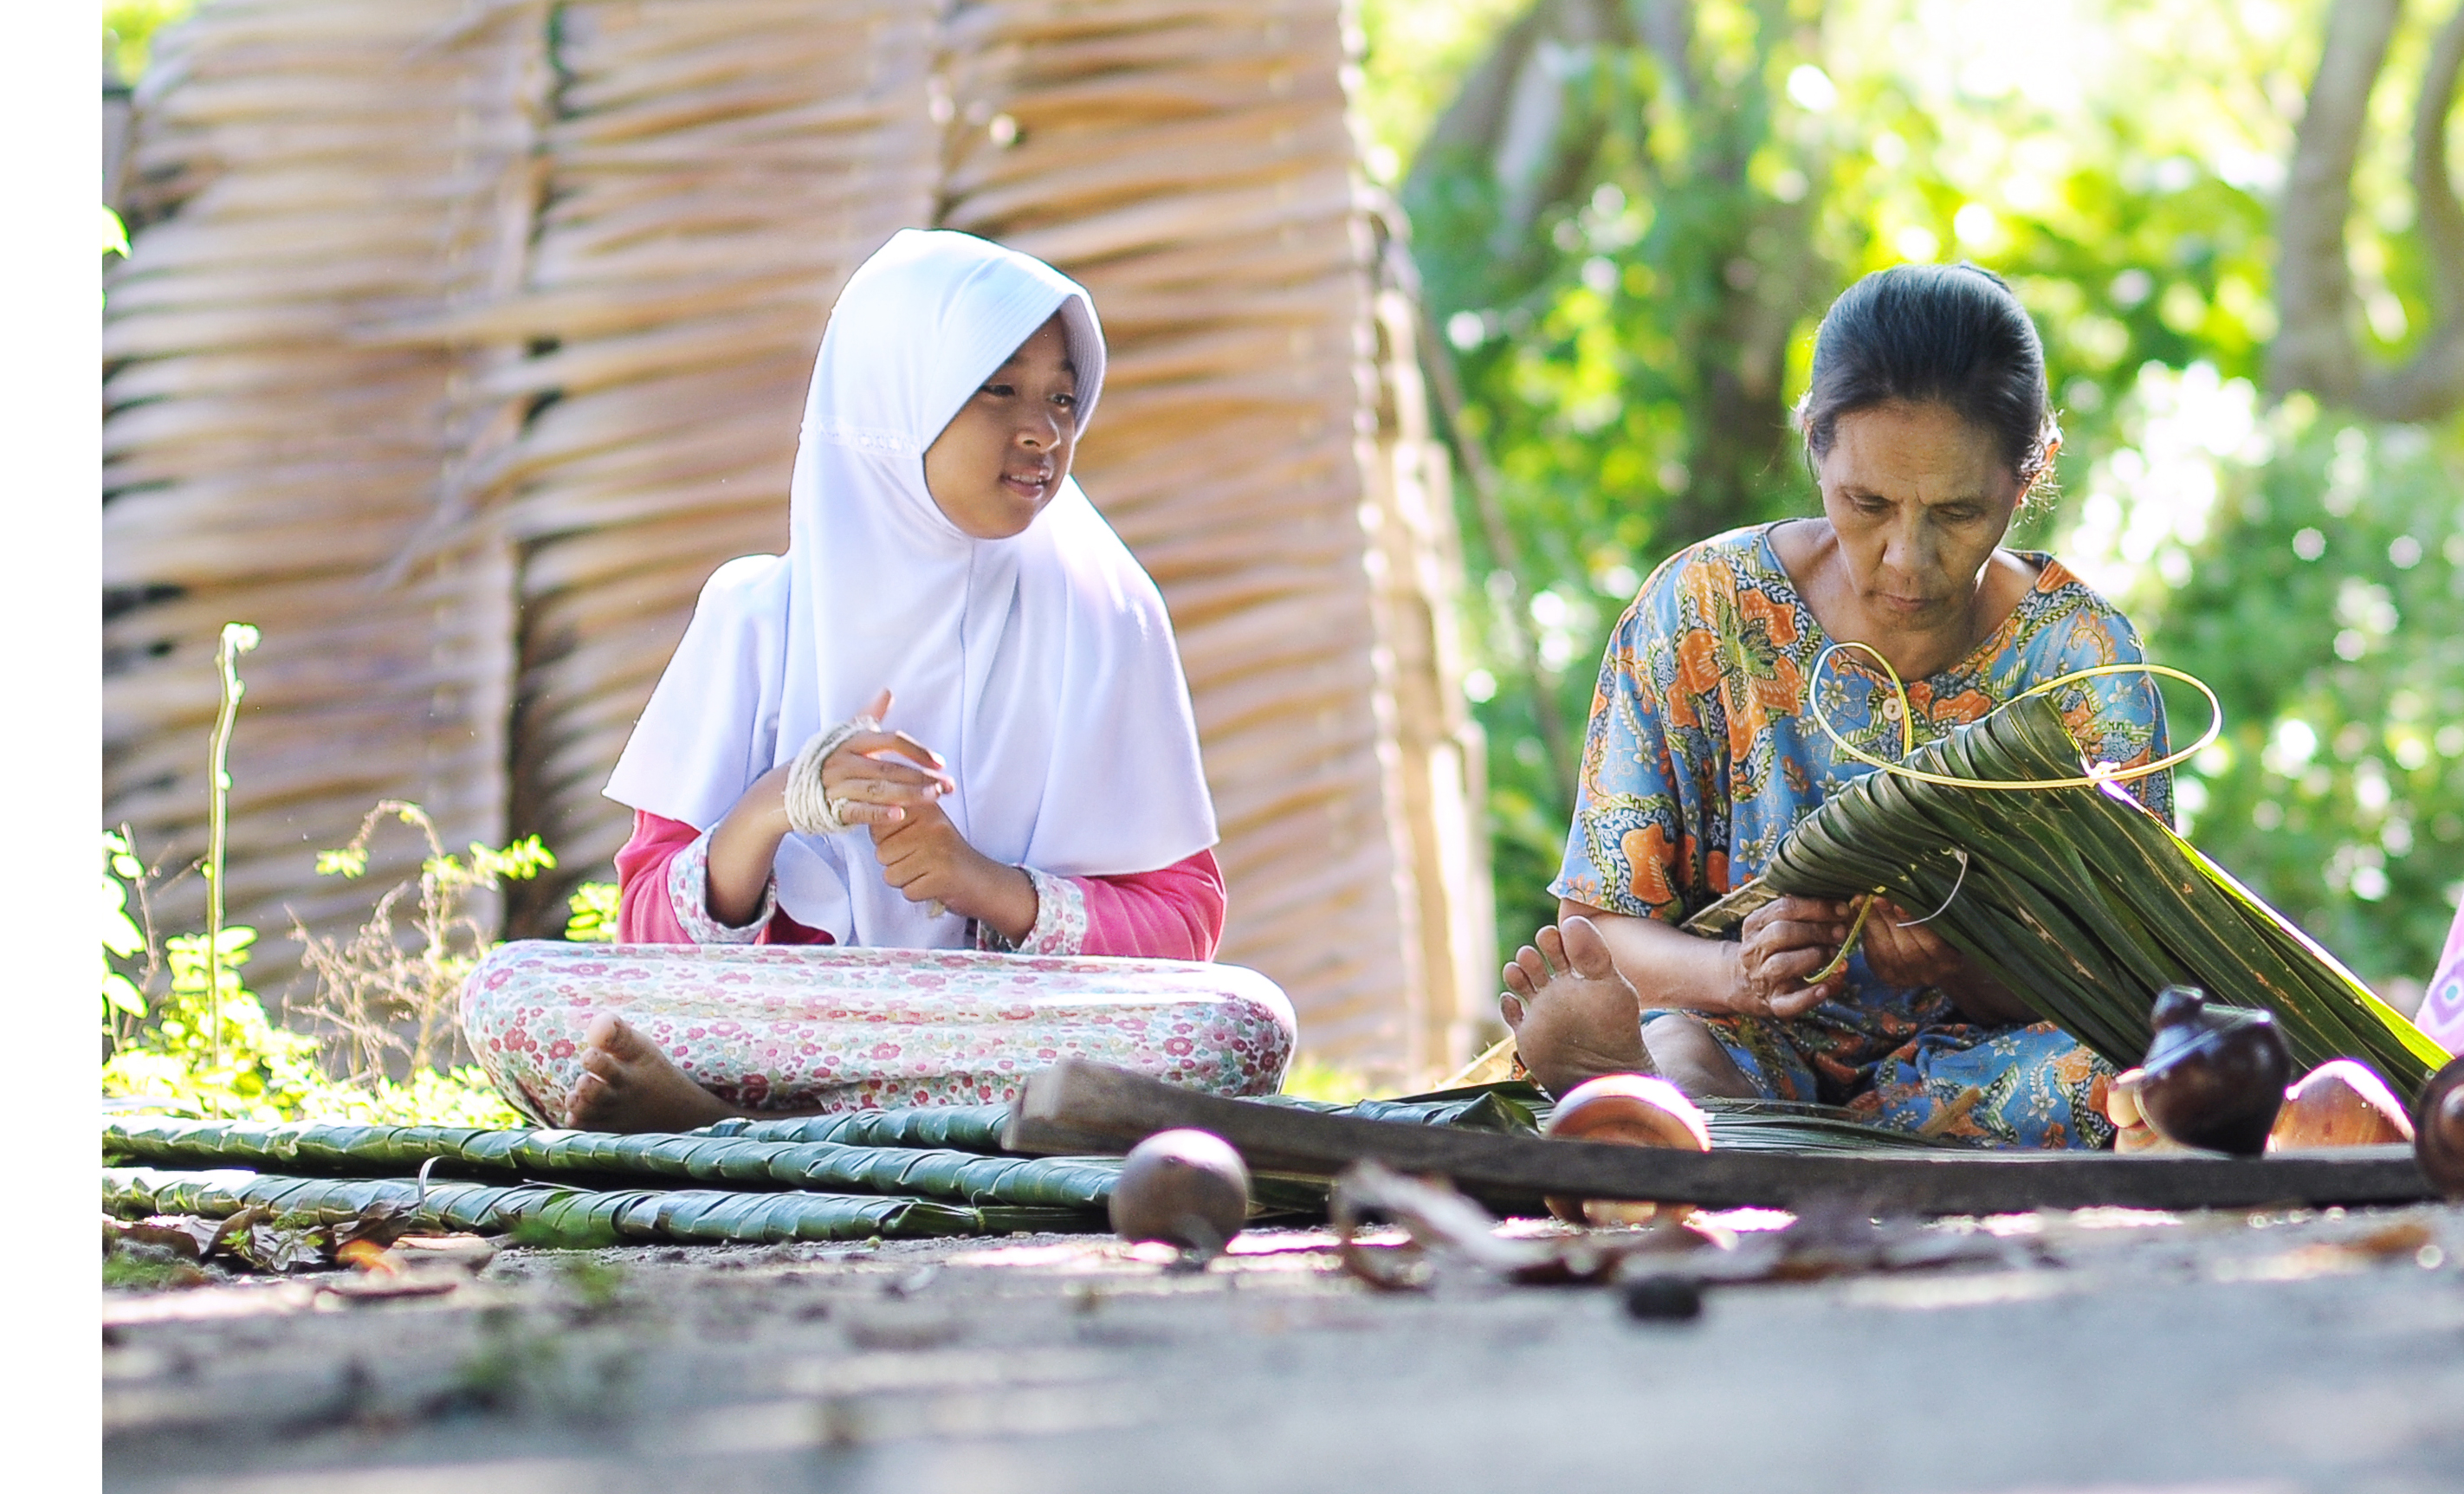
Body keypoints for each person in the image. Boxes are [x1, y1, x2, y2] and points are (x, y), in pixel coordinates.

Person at [457, 229, 1293, 1127]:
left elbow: (1183, 926)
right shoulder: (754, 614)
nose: (1042, 430)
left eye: (1062, 397)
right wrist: (779, 803)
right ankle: (921, 1129)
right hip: (792, 1021)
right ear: (894, 401)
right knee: (515, 994)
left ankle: (746, 1130)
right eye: (998, 389)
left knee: (1236, 1030)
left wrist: (978, 881)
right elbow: (647, 930)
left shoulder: (1105, 615)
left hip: (1002, 1026)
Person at [1496, 263, 2169, 1147]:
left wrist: (1975, 964)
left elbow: (2135, 970)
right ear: (1813, 439)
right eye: (1868, 503)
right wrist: (1741, 974)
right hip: (1742, 1038)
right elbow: (1600, 935)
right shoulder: (1702, 614)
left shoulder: (2081, 665)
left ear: (2029, 471)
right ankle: (1660, 1096)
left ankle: (1694, 1135)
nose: (1907, 558)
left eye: (1958, 511)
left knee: (2123, 1081)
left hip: (1985, 1061)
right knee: (1686, 1046)